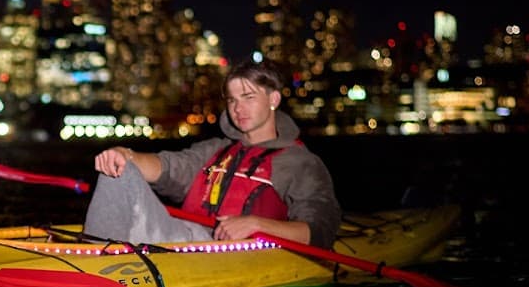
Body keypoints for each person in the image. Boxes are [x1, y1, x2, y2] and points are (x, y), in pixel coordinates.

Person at [83, 57, 342, 248]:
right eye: (232, 100)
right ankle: (94, 256)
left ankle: (98, 264)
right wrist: (125, 155)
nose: (238, 108)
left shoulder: (300, 163)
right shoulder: (216, 150)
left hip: (241, 255)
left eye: (248, 97)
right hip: (187, 241)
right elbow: (169, 166)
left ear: (273, 100)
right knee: (119, 172)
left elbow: (321, 231)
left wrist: (256, 224)